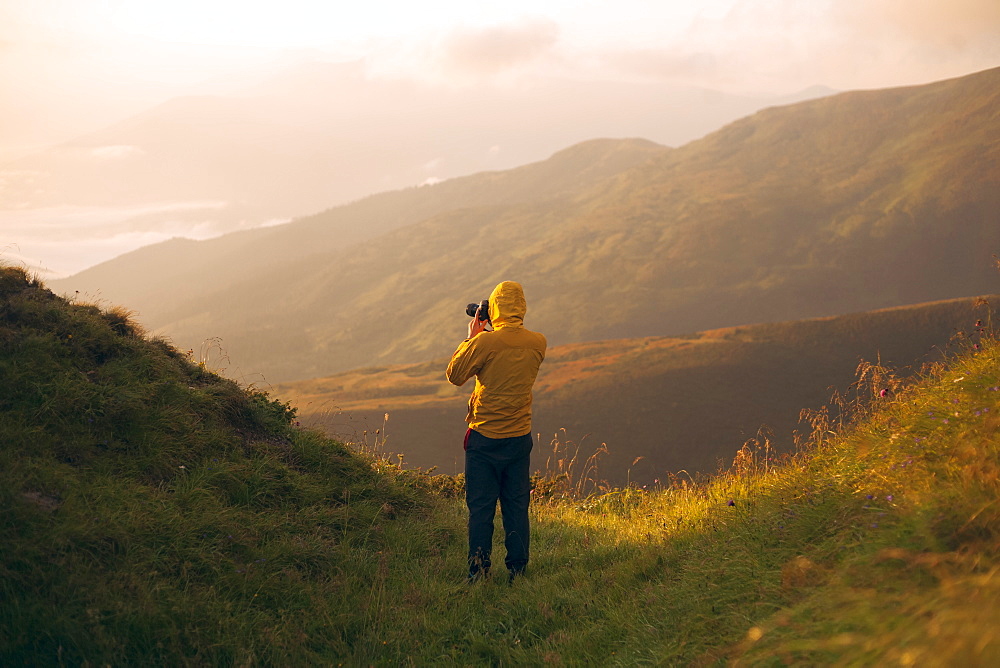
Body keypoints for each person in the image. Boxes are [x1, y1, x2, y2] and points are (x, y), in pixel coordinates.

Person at [446, 281, 547, 583]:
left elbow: (455, 375)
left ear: (494, 309)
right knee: (517, 506)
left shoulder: (484, 344)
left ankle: (478, 572)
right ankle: (518, 570)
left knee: (481, 509)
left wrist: (471, 338)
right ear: (522, 307)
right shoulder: (538, 342)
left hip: (485, 438)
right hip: (519, 436)